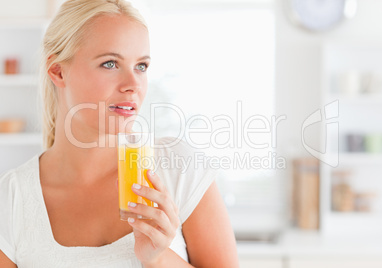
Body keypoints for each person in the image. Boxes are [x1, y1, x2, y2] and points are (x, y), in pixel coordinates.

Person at [0, 0, 238, 267]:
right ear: (58, 70)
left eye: (141, 66)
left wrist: (158, 258)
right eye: (110, 63)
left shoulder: (179, 168)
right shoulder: (11, 198)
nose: (133, 84)